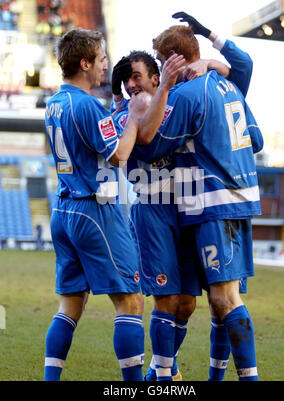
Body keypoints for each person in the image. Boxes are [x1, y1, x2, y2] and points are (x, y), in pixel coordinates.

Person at [112, 17, 256, 381]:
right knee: (185, 300)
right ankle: (163, 375)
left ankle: (206, 375)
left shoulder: (184, 95)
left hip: (207, 202)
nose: (133, 84)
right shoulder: (226, 86)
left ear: (170, 63)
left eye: (154, 66)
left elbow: (151, 142)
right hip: (193, 203)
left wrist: (204, 64)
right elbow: (256, 137)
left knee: (216, 300)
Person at [43, 27, 185, 381]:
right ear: (85, 62)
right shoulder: (88, 105)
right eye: (102, 59)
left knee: (70, 306)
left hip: (62, 210)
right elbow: (120, 155)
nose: (107, 66)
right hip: (95, 209)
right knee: (131, 300)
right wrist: (135, 118)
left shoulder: (54, 103)